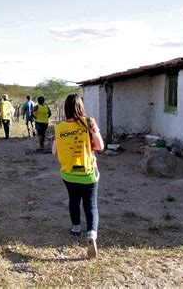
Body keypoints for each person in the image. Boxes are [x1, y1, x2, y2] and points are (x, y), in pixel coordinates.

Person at [52, 93, 104, 259]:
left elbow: (54, 151)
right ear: (81, 106)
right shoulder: (89, 123)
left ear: (66, 108)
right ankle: (91, 235)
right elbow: (101, 146)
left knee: (73, 200)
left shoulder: (59, 128)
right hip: (88, 172)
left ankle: (75, 228)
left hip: (68, 173)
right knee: (90, 204)